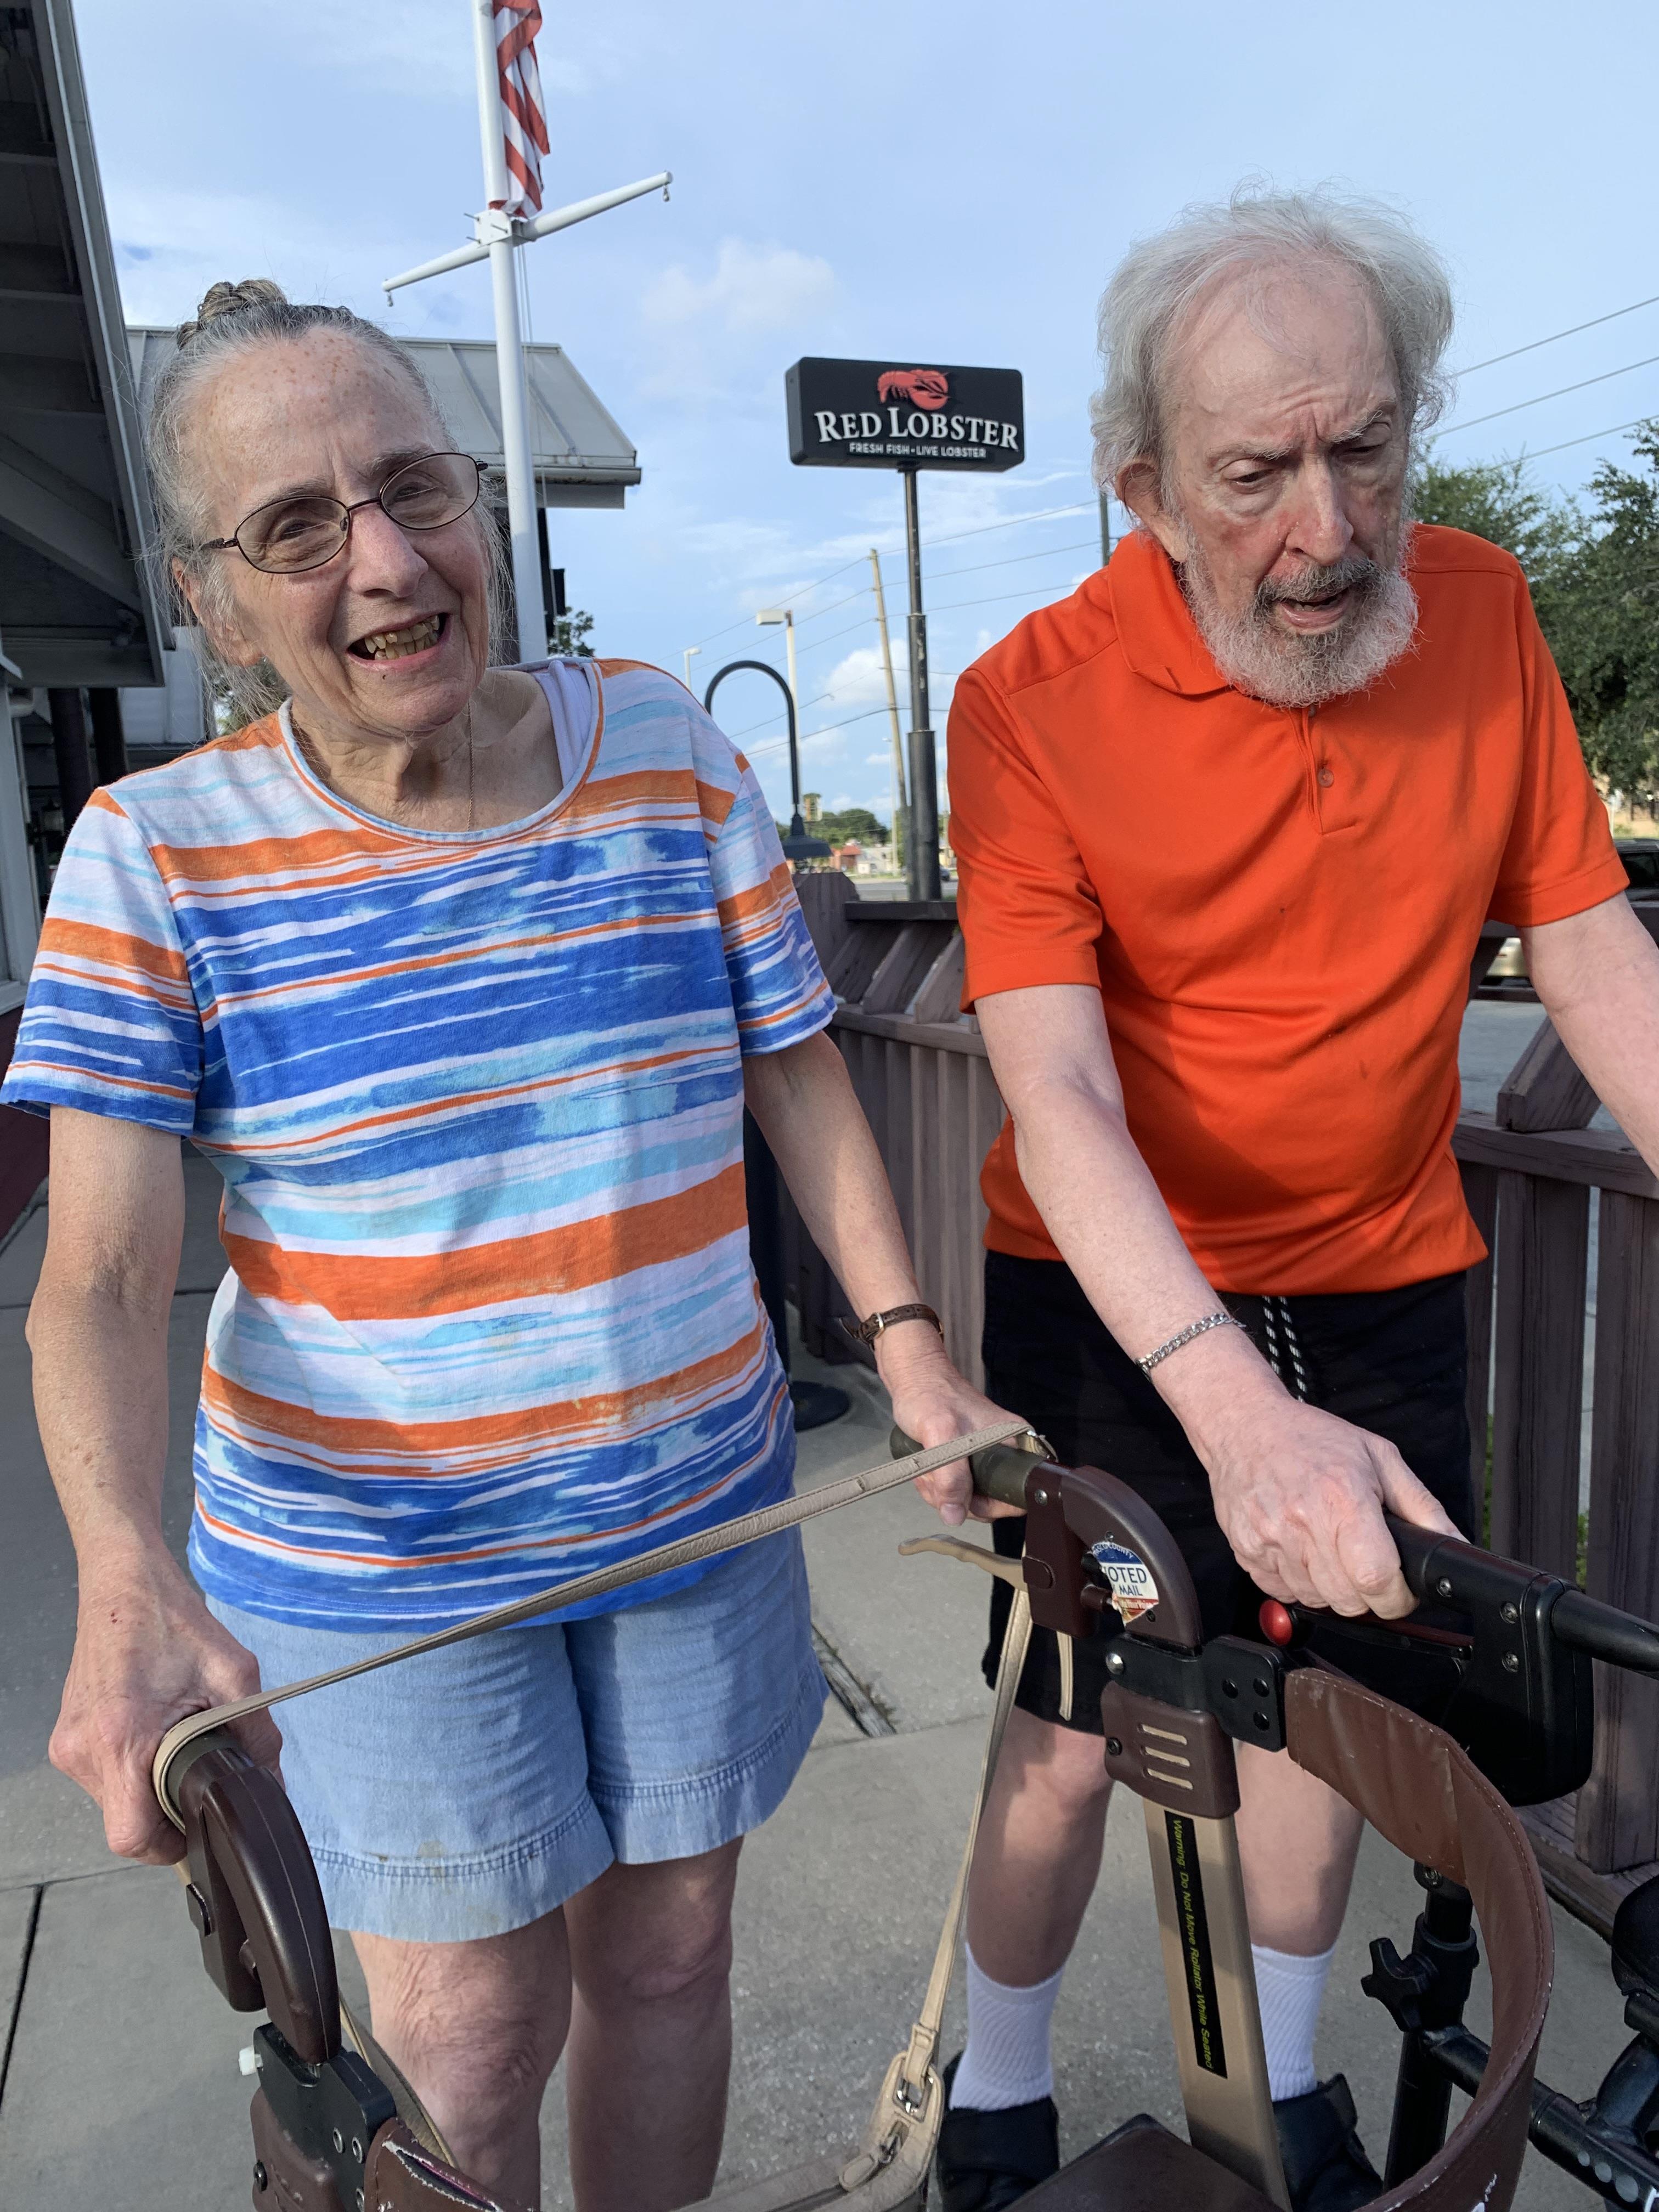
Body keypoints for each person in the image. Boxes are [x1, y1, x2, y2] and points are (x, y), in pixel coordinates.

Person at [5, 279, 1004, 2212]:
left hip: (694, 1510)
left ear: (482, 506)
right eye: (297, 528)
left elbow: (795, 1074)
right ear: (213, 602)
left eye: (414, 489)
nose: (384, 561)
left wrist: (907, 1351)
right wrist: (123, 1579)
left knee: (671, 1959)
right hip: (378, 1567)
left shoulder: (668, 749)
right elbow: (109, 1277)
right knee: (464, 2047)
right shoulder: (149, 851)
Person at [922, 188, 1659, 2212]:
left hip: (1386, 1256)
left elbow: (1596, 963)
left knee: (1318, 1718)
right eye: (1257, 474)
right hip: (1111, 1274)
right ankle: (993, 2104)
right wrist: (1235, 1422)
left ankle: (1289, 2088)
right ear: (1144, 482)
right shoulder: (1027, 701)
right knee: (1081, 1714)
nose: (1325, 528)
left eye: (1367, 450)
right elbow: (1054, 1081)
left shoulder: (1485, 613)